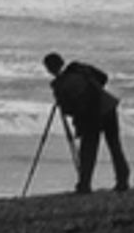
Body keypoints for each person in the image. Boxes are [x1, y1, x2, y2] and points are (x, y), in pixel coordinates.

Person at [43, 52, 128, 192]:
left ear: (49, 69)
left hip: (91, 115)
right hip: (107, 105)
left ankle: (84, 184)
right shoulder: (80, 69)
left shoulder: (60, 85)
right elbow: (104, 77)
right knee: (114, 146)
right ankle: (122, 181)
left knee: (88, 149)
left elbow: (68, 109)